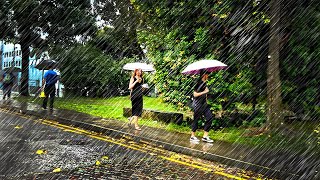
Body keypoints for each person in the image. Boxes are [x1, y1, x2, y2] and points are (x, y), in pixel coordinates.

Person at [190, 70, 214, 143]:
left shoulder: (204, 83)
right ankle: (192, 136)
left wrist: (205, 99)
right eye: (207, 74)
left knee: (209, 118)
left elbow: (205, 95)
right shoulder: (198, 83)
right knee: (196, 120)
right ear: (204, 75)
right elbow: (195, 95)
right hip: (197, 104)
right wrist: (205, 92)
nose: (208, 76)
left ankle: (205, 137)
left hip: (204, 104)